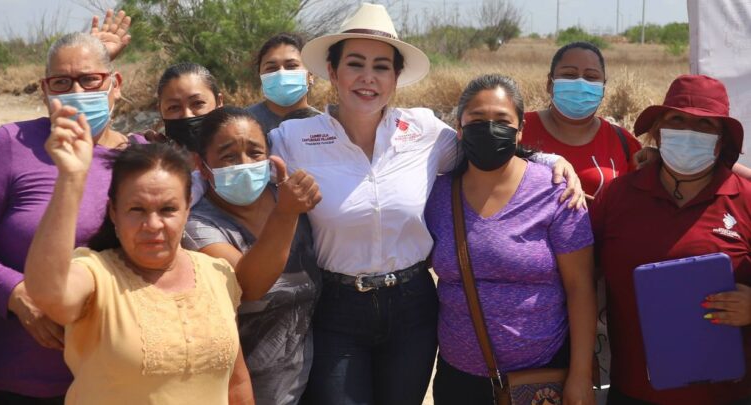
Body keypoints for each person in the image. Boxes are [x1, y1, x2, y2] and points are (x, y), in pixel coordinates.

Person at [268, 3, 584, 404]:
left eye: (382, 66)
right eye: (355, 64)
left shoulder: (424, 132)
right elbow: (236, 165)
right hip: (337, 309)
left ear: (396, 77)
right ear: (332, 71)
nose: (368, 78)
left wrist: (553, 161)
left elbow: (487, 147)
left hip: (412, 308)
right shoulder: (293, 140)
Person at [23, 127, 244, 404]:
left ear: (188, 208)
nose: (152, 225)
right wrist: (71, 179)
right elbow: (48, 292)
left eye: (167, 210)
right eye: (137, 209)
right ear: (114, 212)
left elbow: (237, 383)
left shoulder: (217, 274)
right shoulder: (96, 273)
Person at [0, 30, 135, 404]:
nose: (76, 92)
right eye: (61, 82)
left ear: (115, 84)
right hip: (23, 379)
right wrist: (14, 293)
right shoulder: (12, 145)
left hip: (116, 380)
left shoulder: (140, 157)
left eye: (90, 79)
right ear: (45, 90)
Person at [425, 74, 596, 405]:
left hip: (540, 381)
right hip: (458, 379)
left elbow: (580, 288)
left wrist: (580, 375)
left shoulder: (555, 191)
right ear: (459, 129)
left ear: (520, 130)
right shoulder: (437, 193)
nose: (489, 129)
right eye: (477, 119)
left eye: (502, 120)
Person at [591, 74, 751, 404]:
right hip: (633, 391)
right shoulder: (618, 196)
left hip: (726, 394)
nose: (689, 131)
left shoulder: (746, 199)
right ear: (658, 131)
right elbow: (580, 280)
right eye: (677, 119)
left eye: (705, 124)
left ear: (721, 140)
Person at [183, 106, 322, 405]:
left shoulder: (288, 198)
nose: (243, 164)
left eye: (254, 152)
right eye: (228, 156)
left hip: (315, 384)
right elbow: (248, 287)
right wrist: (285, 215)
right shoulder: (198, 226)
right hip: (247, 394)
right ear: (202, 164)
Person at [522, 41, 642, 200]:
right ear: (550, 84)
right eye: (569, 75)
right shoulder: (518, 129)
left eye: (591, 77)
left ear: (603, 88)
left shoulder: (624, 142)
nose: (580, 83)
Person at [247, 33, 320, 134]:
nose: (281, 73)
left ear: (310, 74)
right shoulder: (243, 123)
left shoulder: (326, 126)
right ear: (260, 76)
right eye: (271, 68)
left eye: (291, 65)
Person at [156, 62, 224, 151]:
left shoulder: (243, 152)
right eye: (174, 107)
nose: (187, 115)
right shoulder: (152, 160)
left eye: (197, 103)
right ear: (160, 111)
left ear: (219, 102)